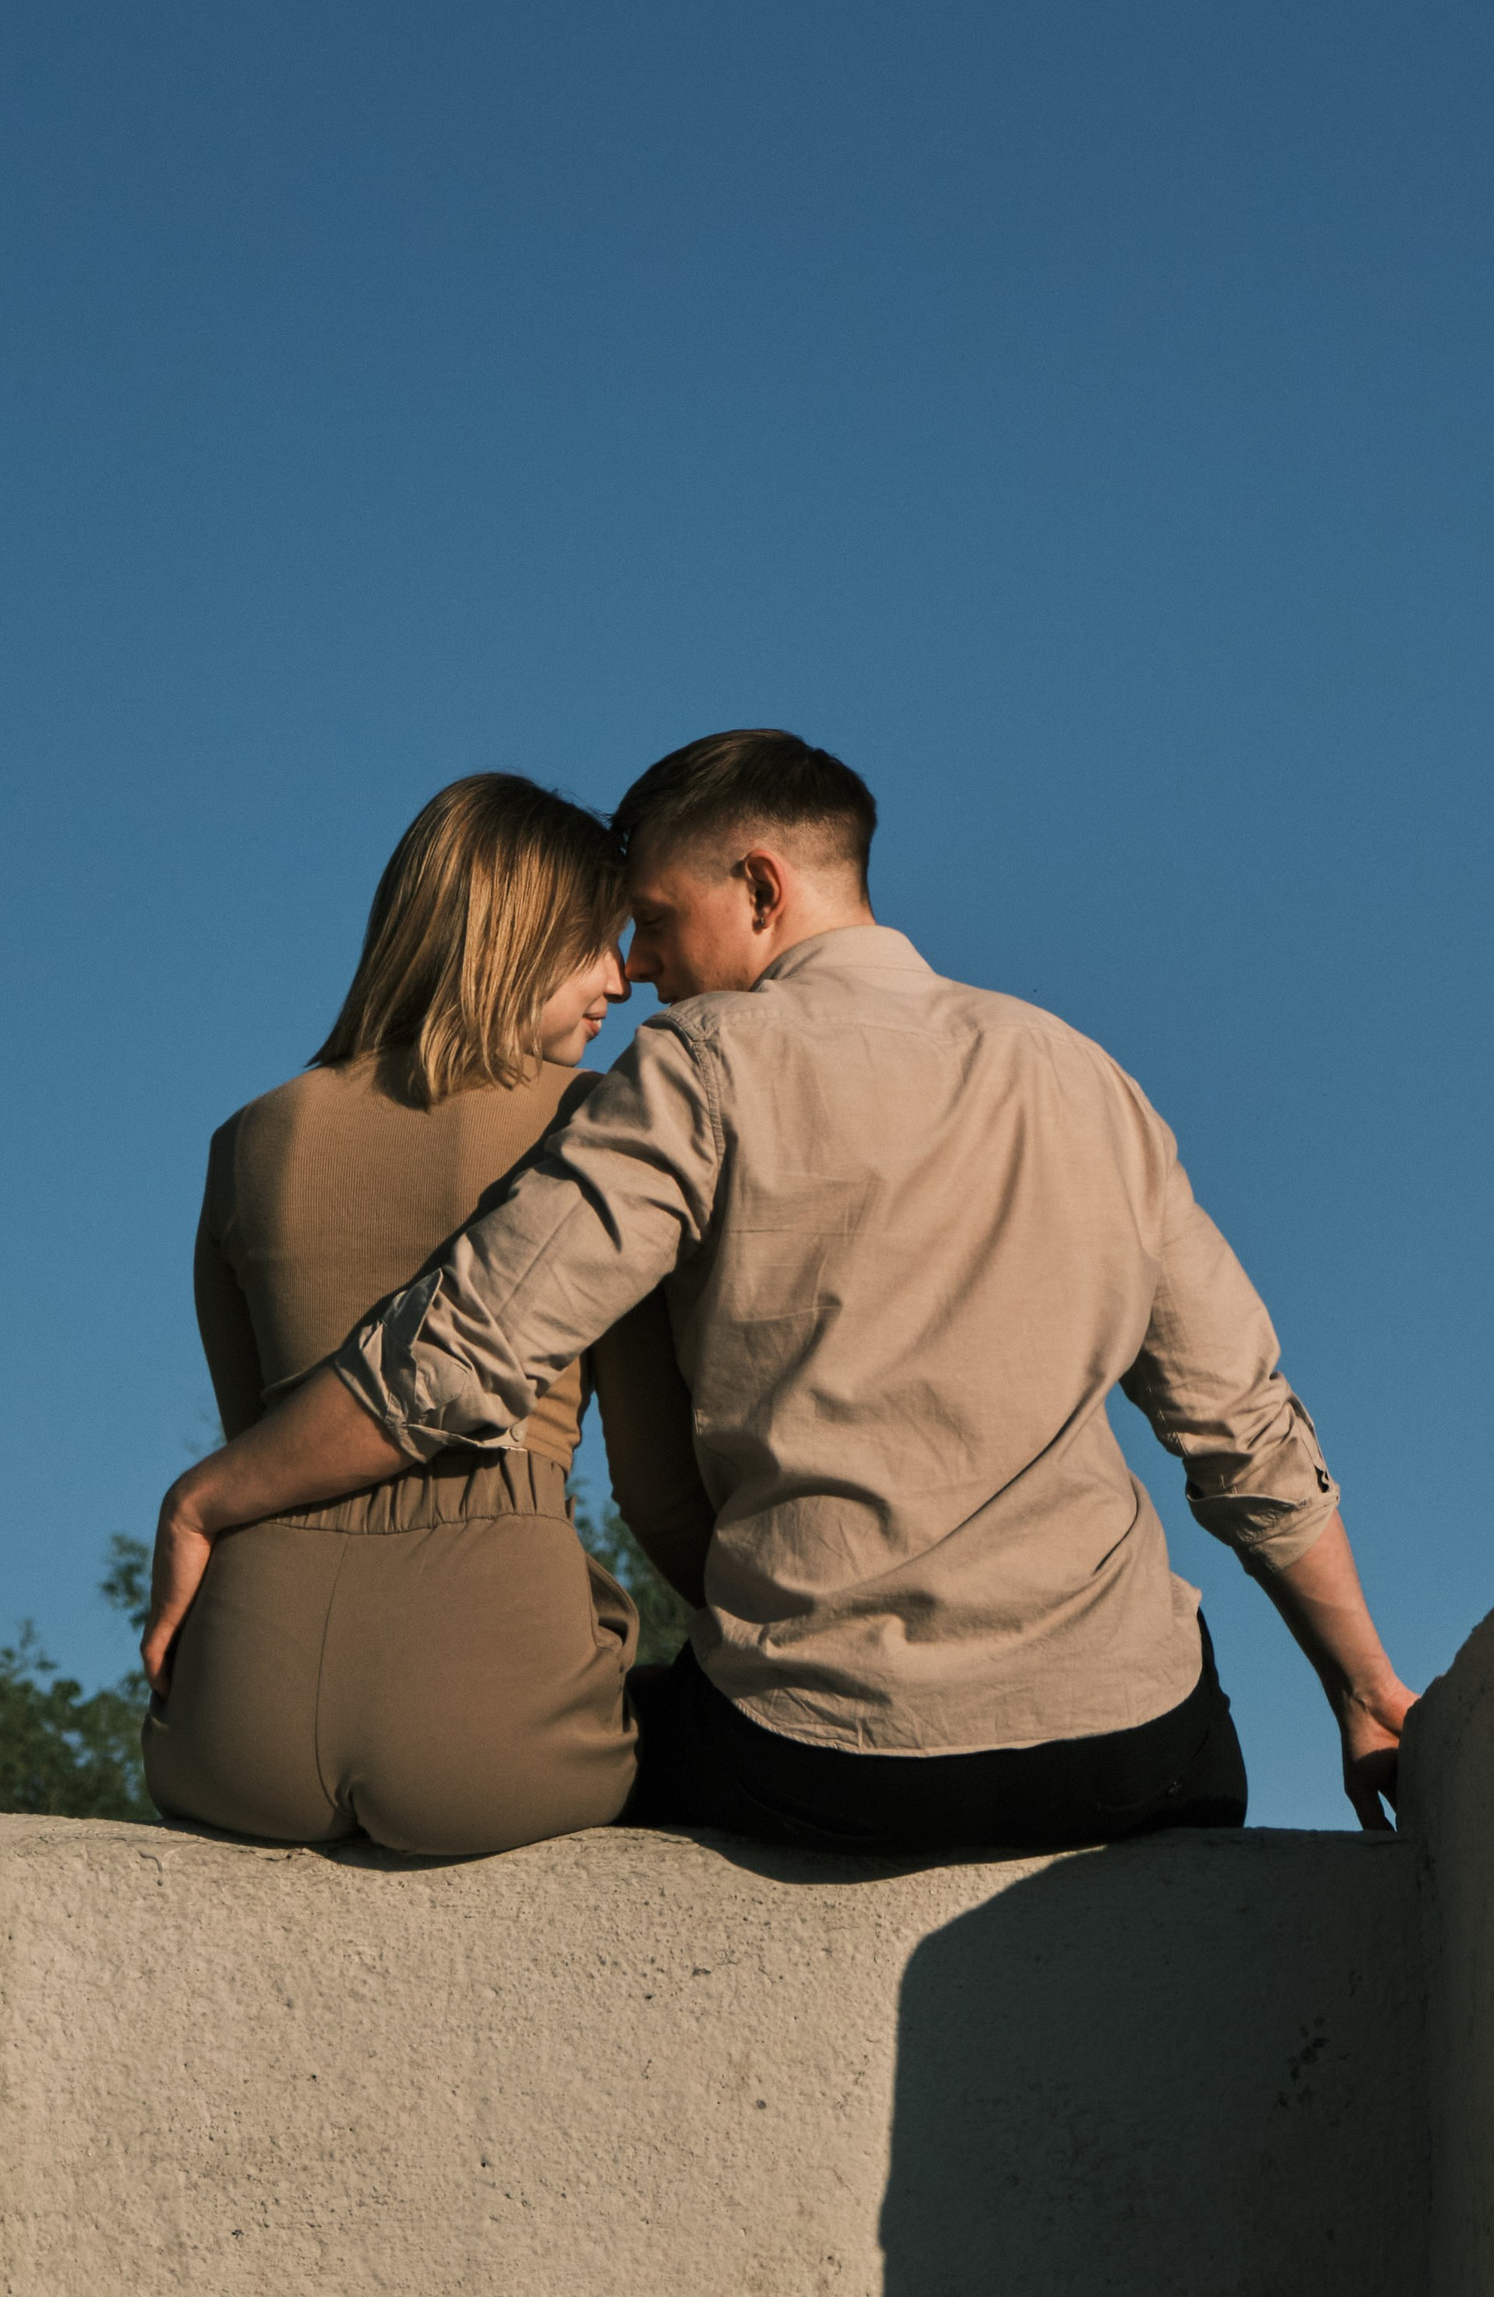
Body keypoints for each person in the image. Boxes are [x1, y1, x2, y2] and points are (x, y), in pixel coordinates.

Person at [143, 732, 1417, 1852]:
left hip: (824, 1758)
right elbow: (1239, 1421)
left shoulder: (698, 1067)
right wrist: (1360, 1683)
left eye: (651, 915)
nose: (636, 964)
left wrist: (219, 1487)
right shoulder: (1082, 1074)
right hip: (1128, 1746)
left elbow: (468, 1347)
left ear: (759, 885)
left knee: (584, 1731)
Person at [144, 773, 711, 1857]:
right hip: (491, 1723)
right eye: (597, 940)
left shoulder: (248, 1140)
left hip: (238, 1724)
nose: (621, 978)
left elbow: (260, 1446)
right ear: (514, 935)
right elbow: (654, 1488)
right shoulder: (596, 1126)